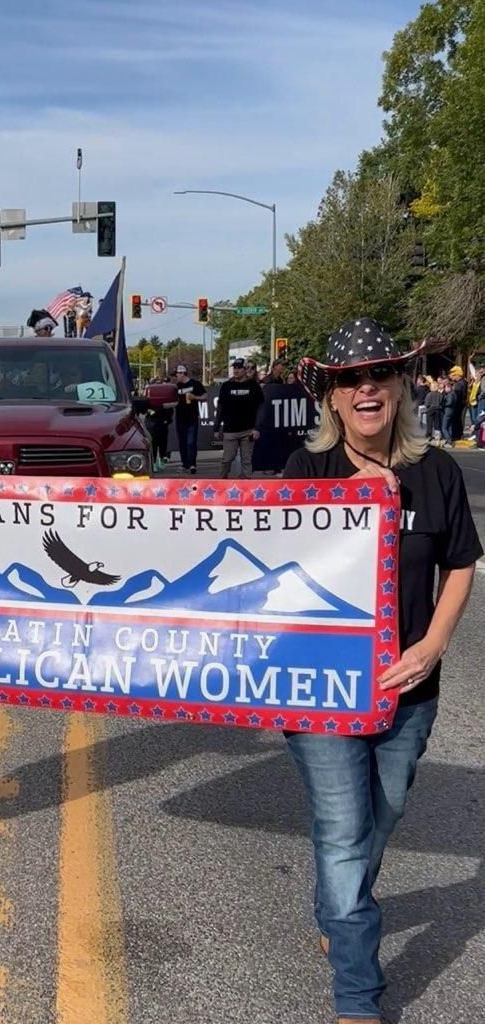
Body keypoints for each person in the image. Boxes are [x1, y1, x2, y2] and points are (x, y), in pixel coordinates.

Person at [287, 317, 481, 1024]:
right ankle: (358, 996)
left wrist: (430, 647)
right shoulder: (306, 474)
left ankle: (338, 913)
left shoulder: (436, 472)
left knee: (382, 814)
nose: (365, 388)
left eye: (378, 375)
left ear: (398, 387)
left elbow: (461, 563)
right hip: (324, 697)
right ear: (332, 399)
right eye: (349, 380)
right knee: (342, 833)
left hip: (410, 691)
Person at [213, 357, 264, 478]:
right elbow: (220, 407)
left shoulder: (253, 386)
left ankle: (246, 486)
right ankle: (221, 481)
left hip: (248, 429)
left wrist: (257, 427)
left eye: (239, 368)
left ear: (245, 369)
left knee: (246, 461)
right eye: (234, 367)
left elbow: (261, 407)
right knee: (227, 459)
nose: (236, 370)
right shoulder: (226, 386)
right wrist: (216, 427)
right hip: (230, 429)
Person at [173, 365, 205, 473]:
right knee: (182, 442)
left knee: (191, 442)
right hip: (180, 418)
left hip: (192, 417)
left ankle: (192, 464)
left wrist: (195, 397)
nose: (176, 376)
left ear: (182, 373)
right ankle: (185, 464)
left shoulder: (195, 384)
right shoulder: (176, 387)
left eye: (177, 374)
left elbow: (205, 396)